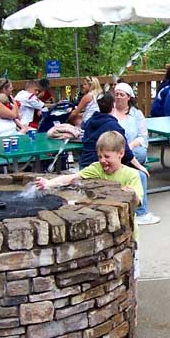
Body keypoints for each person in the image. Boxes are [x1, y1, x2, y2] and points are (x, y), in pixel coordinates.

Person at [34, 131, 143, 279]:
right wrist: (49, 183)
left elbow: (137, 202)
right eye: (100, 156)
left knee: (130, 272)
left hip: (126, 232)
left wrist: (133, 194)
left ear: (121, 153)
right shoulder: (96, 168)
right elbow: (72, 178)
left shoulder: (131, 175)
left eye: (107, 156)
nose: (103, 160)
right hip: (104, 230)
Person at [80, 92, 160, 225]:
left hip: (85, 163)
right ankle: (141, 213)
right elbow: (127, 153)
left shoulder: (90, 122)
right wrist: (140, 167)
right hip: (101, 164)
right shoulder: (114, 126)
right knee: (140, 175)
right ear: (113, 106)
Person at [112, 82, 149, 165]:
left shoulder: (137, 114)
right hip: (112, 149)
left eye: (122, 95)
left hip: (131, 149)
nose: (118, 97)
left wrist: (129, 147)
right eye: (116, 94)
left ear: (128, 97)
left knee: (141, 153)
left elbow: (143, 137)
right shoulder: (109, 112)